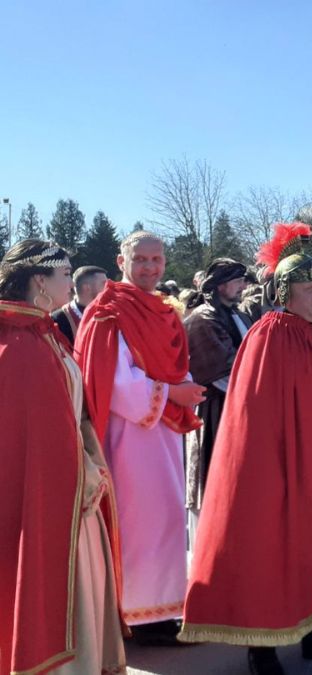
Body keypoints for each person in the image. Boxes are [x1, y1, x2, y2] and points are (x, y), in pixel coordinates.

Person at [180, 228, 312, 673]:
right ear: (285, 292)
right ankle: (261, 648)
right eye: (309, 290)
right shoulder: (269, 337)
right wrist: (274, 471)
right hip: (282, 472)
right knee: (271, 553)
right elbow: (254, 416)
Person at [74, 231, 205, 645]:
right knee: (139, 524)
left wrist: (183, 387)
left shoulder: (162, 309)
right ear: (121, 260)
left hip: (163, 433)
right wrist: (173, 394)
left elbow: (171, 361)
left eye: (157, 259)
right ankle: (140, 618)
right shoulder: (107, 312)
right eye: (141, 260)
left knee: (167, 520)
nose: (150, 268)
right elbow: (115, 383)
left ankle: (166, 611)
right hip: (129, 437)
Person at [1, 241, 124, 675]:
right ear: (39, 281)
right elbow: (41, 434)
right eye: (65, 273)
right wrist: (86, 475)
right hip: (60, 494)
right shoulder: (21, 344)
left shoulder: (39, 334)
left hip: (74, 483)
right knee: (60, 590)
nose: (71, 282)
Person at [183, 258, 252, 524]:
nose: (242, 286)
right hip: (216, 411)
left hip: (243, 405)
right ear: (220, 285)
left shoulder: (239, 313)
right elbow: (223, 369)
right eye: (236, 281)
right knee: (214, 478)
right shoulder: (203, 318)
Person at [51, 265, 107, 345]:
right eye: (104, 284)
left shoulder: (110, 313)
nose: (108, 288)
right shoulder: (59, 319)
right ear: (87, 287)